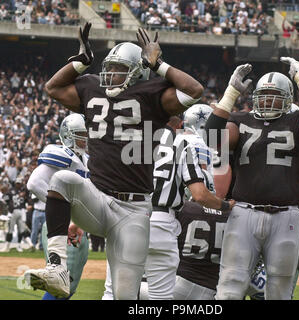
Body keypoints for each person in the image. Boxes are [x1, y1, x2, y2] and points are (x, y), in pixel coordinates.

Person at [24, 23, 204, 300]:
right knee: (61, 179)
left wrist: (159, 64)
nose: (111, 73)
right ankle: (57, 267)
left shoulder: (152, 93)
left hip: (133, 209)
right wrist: (80, 63)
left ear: (138, 73)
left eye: (120, 69)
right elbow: (53, 87)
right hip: (98, 198)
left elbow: (194, 91)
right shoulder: (91, 88)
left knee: (124, 296)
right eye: (110, 67)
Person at [205, 56, 299, 300]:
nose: (268, 100)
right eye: (263, 95)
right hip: (243, 212)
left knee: (280, 291)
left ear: (288, 99)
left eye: (275, 95)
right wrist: (231, 92)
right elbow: (212, 137)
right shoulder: (241, 119)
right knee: (229, 287)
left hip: (286, 214)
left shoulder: (297, 121)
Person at [145, 104, 234, 300]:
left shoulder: (174, 141)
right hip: (212, 290)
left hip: (157, 215)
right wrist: (226, 206)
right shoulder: (216, 150)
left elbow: (196, 192)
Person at [26, 113, 90, 300]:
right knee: (62, 285)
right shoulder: (62, 154)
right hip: (62, 226)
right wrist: (63, 211)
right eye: (80, 134)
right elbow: (35, 183)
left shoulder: (85, 159)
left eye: (85, 134)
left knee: (70, 286)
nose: (84, 138)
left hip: (77, 226)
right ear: (68, 135)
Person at [0, 177, 33, 252]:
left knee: (11, 230)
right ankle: (25, 245)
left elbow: (4, 199)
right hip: (22, 211)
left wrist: (8, 205)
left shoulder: (11, 191)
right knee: (22, 230)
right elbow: (28, 199)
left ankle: (7, 247)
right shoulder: (22, 191)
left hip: (15, 211)